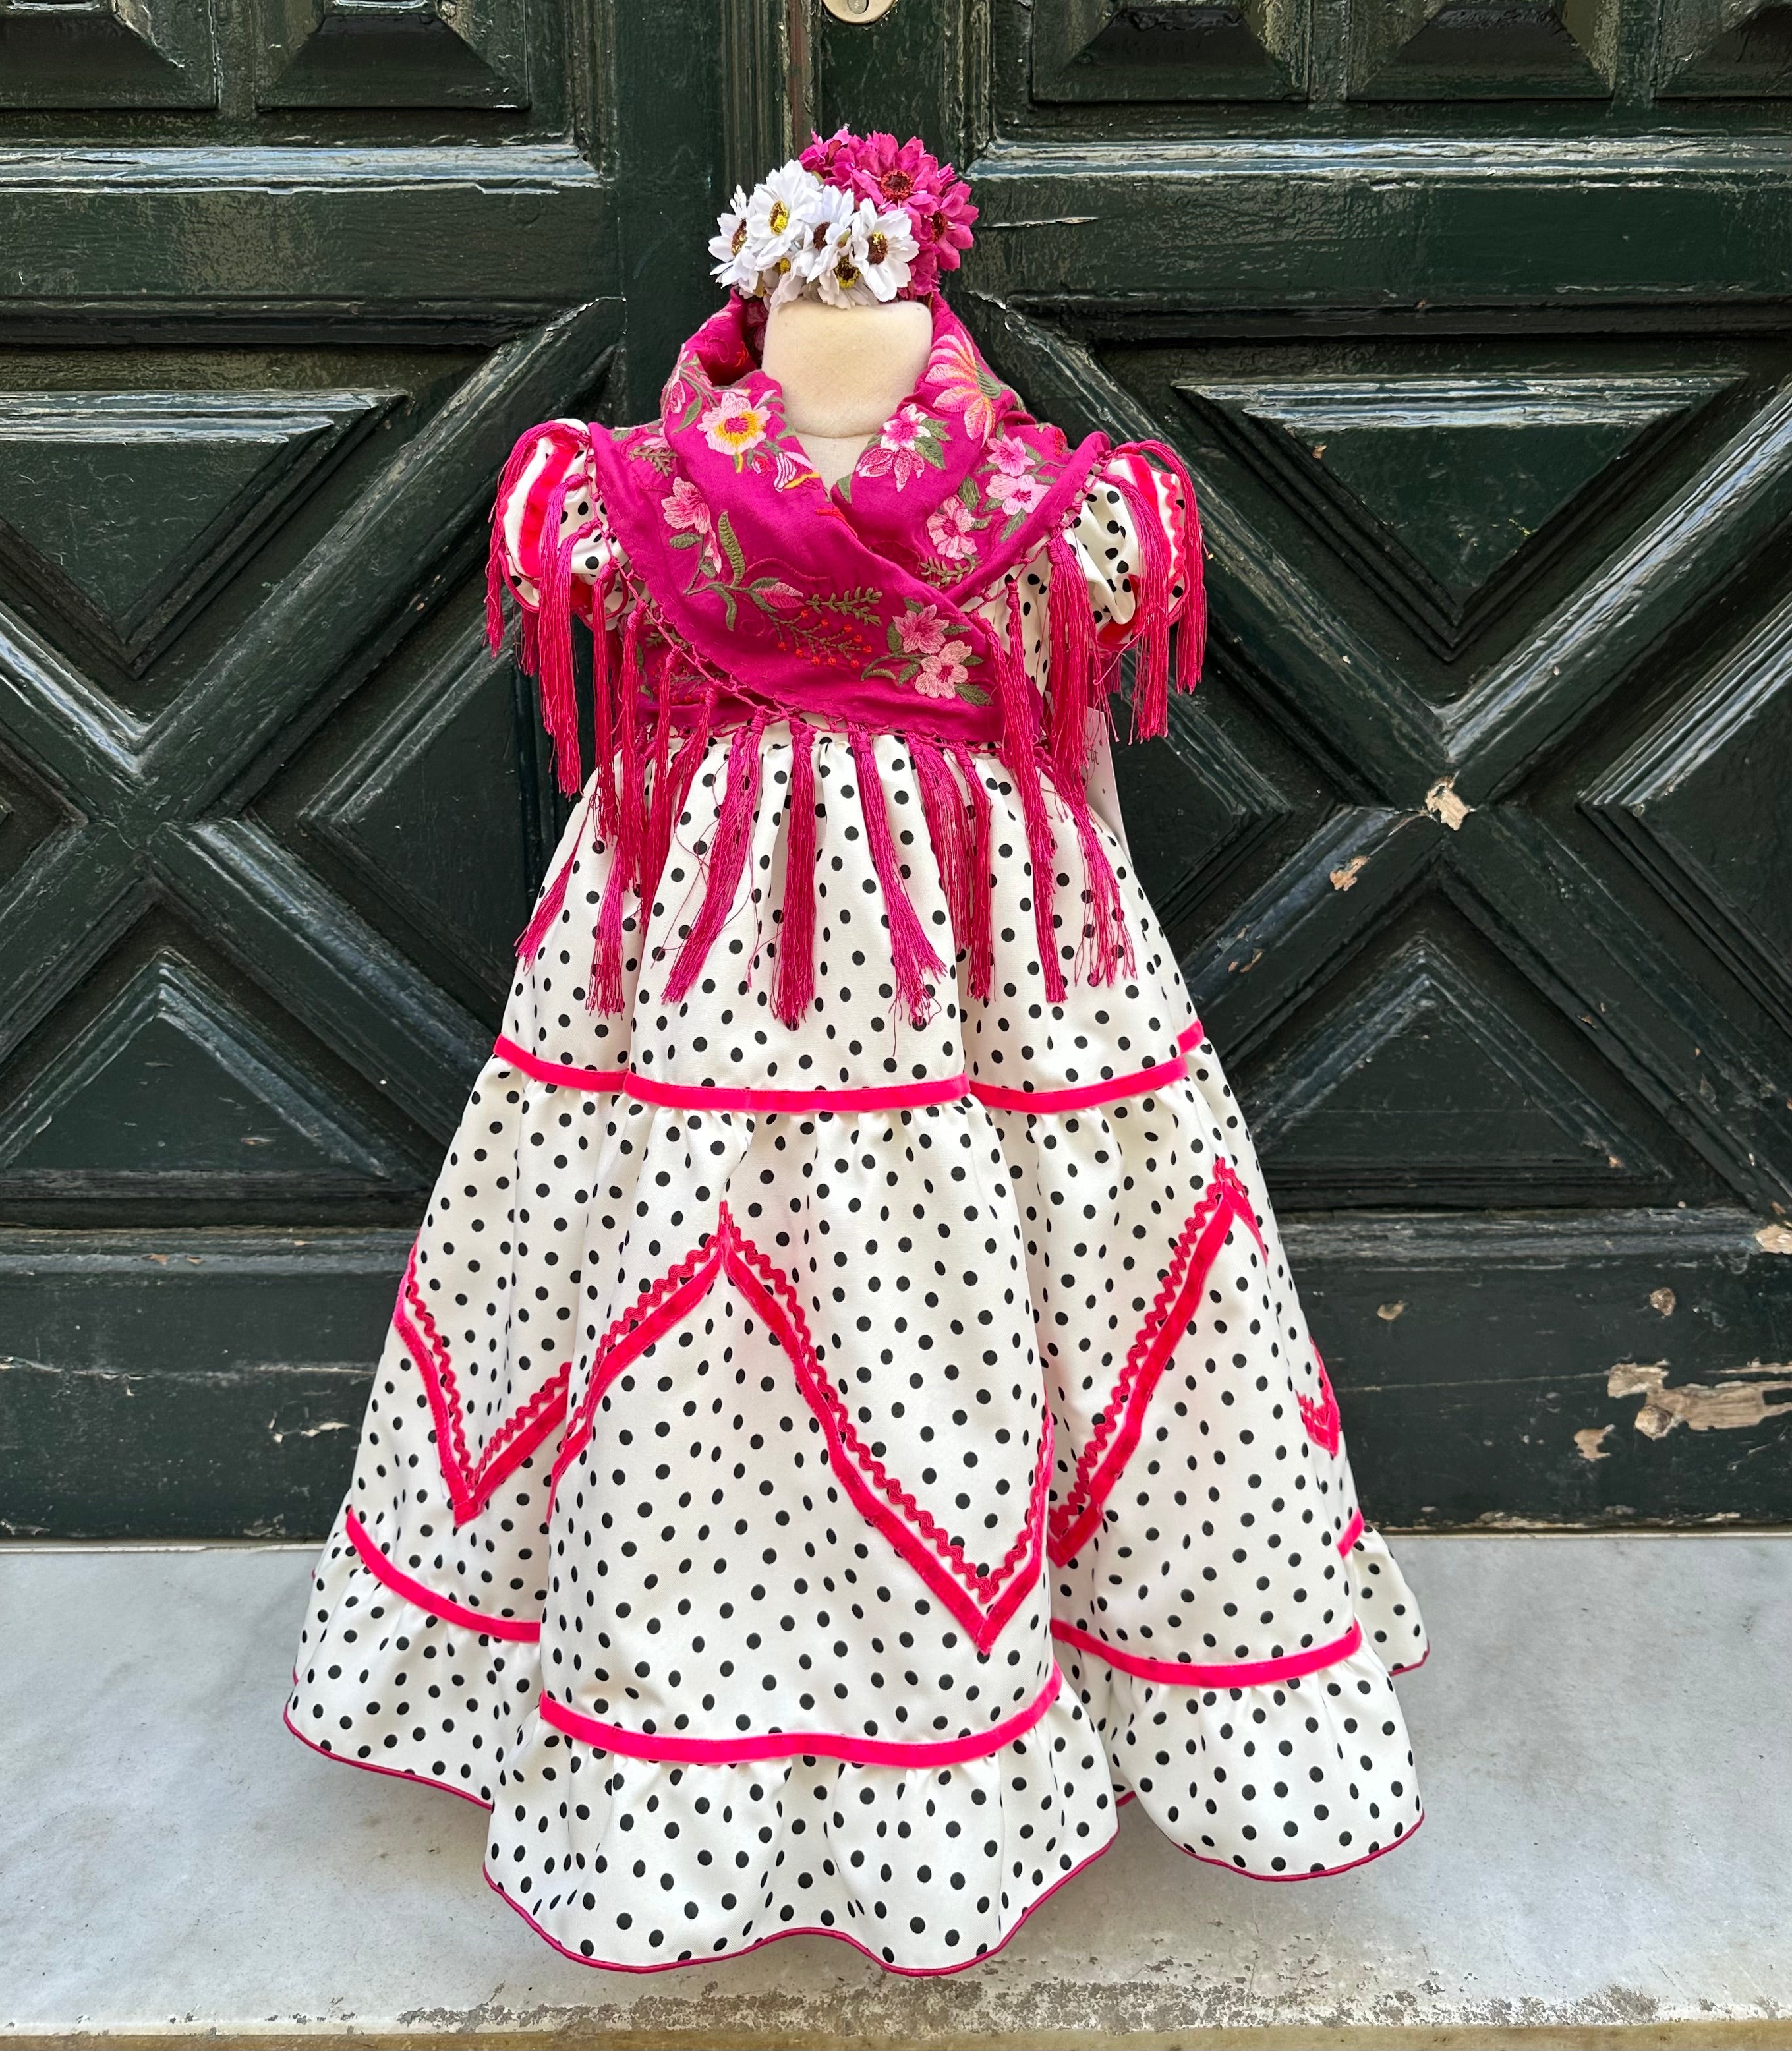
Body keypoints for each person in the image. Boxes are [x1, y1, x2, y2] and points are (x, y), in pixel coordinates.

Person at [285, 129, 1425, 1974]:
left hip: (987, 996)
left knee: (990, 1306)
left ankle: (961, 1751)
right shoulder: (614, 495)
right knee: (675, 1308)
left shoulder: (1058, 513)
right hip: (704, 995)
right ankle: (707, 1758)